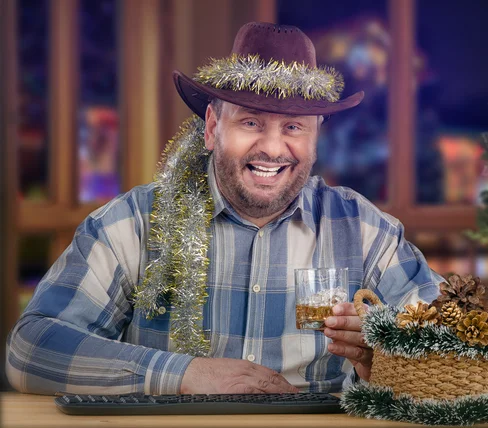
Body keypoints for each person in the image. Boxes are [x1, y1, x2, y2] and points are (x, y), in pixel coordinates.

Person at [6, 22, 443, 396]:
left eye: (293, 127)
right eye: (251, 122)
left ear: (315, 137)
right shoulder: (133, 223)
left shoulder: (365, 231)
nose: (273, 148)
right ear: (213, 128)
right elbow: (31, 349)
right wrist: (186, 373)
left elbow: (461, 349)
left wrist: (386, 362)